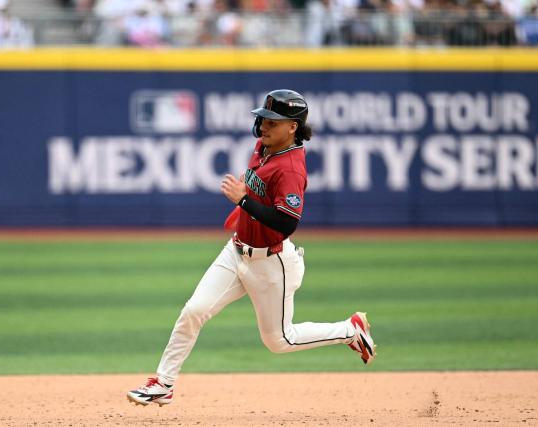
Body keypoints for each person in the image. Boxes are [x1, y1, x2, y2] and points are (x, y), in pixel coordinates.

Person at [127, 89, 377, 407]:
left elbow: (287, 223)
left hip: (271, 263)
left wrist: (243, 200)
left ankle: (350, 330)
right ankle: (163, 383)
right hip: (236, 251)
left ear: (293, 127)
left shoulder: (290, 169)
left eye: (274, 121)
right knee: (194, 311)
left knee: (278, 341)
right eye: (264, 118)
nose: (264, 126)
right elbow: (260, 192)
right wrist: (246, 208)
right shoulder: (264, 147)